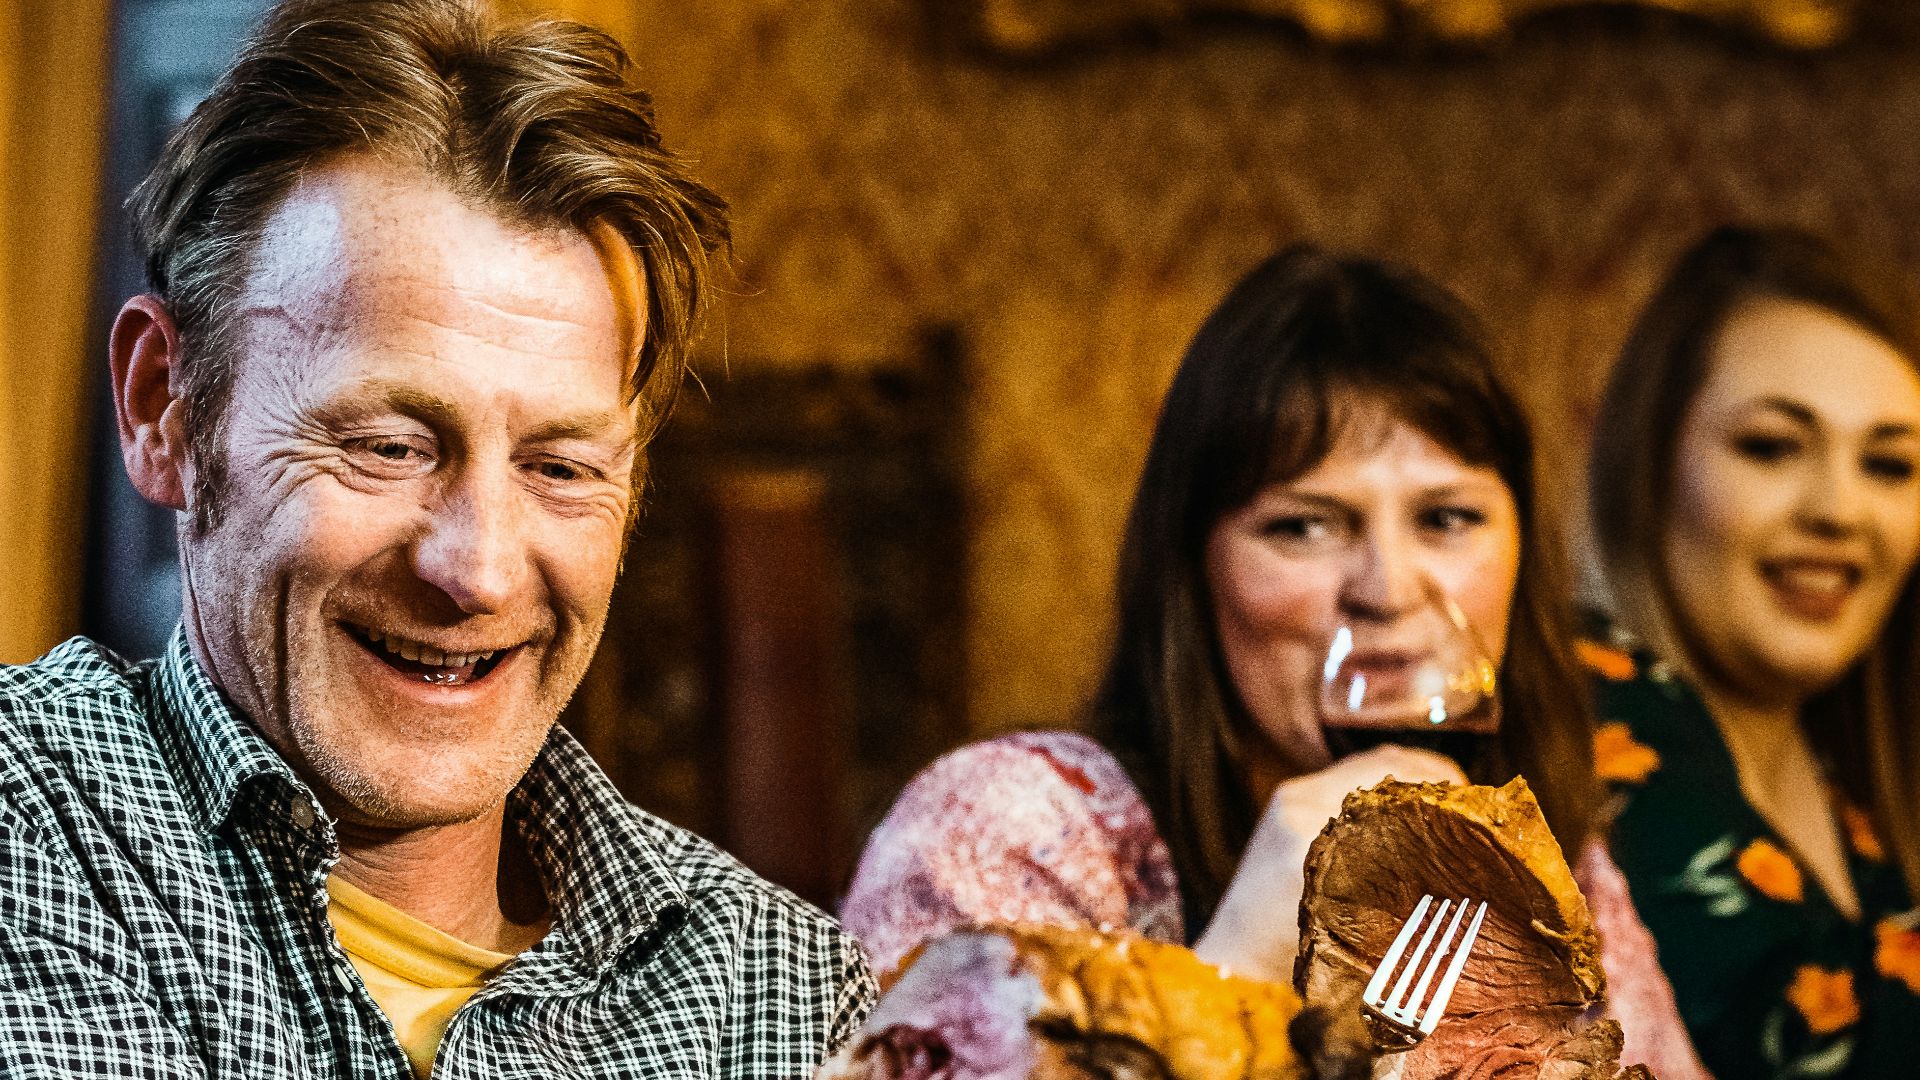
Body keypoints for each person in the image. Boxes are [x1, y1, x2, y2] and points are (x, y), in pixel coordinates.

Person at [0, 1, 873, 1076]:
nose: (480, 569)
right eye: (387, 446)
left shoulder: (782, 996)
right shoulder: (28, 830)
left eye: (560, 468)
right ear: (164, 411)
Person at [840, 244, 1703, 1074]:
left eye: (1446, 518)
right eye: (1304, 526)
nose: (1390, 589)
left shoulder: (1538, 866)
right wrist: (1242, 967)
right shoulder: (1012, 833)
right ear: (1193, 567)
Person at [1584, 226, 1920, 1079]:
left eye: (1889, 465)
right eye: (1772, 447)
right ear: (1651, 466)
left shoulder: (1859, 754)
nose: (1840, 510)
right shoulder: (1587, 696)